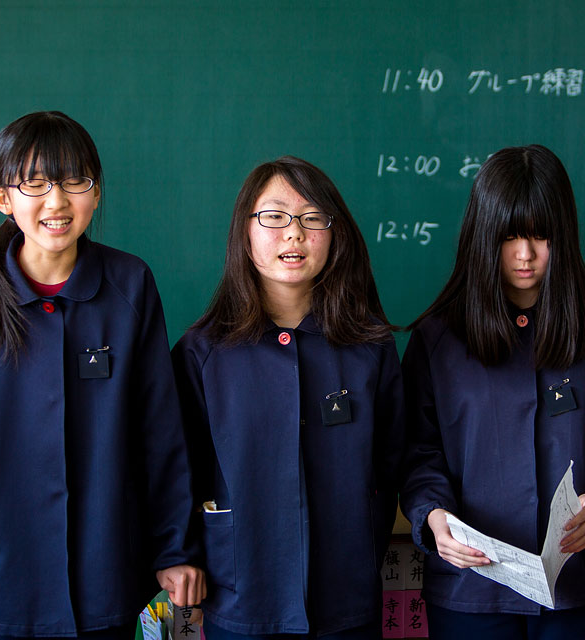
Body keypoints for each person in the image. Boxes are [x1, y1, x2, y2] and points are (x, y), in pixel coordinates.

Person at [0, 111, 205, 639]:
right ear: (3, 199)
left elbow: (160, 428)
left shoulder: (129, 283)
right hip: (7, 567)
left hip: (107, 564)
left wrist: (174, 549)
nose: (56, 202)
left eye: (74, 181)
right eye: (34, 184)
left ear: (95, 194)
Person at [399, 144, 585, 639]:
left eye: (540, 235)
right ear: (482, 235)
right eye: (509, 236)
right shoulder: (439, 336)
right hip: (470, 587)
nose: (525, 255)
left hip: (572, 585)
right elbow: (415, 449)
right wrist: (433, 515)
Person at [172, 156, 404, 639]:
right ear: (245, 232)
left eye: (312, 218)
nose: (294, 233)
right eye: (274, 217)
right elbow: (175, 472)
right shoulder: (202, 352)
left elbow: (392, 460)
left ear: (335, 235)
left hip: (345, 594)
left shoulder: (370, 346)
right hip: (241, 590)